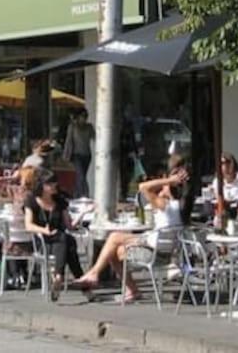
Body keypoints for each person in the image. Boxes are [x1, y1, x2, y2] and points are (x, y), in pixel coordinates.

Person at [74, 157, 191, 302]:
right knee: (115, 250)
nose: (161, 187)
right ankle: (129, 289)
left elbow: (143, 187)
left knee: (114, 238)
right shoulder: (179, 207)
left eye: (164, 184)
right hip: (163, 251)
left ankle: (95, 274)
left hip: (154, 255)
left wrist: (169, 181)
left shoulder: (163, 203)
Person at [23, 171, 87, 301]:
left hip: (59, 240)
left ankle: (58, 277)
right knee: (68, 245)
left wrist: (83, 213)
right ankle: (85, 289)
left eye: (54, 183)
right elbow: (28, 225)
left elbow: (69, 225)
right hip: (43, 241)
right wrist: (44, 230)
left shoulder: (59, 201)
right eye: (50, 183)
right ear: (41, 185)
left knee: (65, 240)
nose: (54, 186)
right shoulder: (32, 201)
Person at [63, 108, 94, 199]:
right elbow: (68, 141)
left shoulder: (89, 127)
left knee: (81, 175)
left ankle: (76, 195)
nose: (84, 119)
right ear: (78, 117)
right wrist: (66, 154)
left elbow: (95, 137)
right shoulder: (73, 127)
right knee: (81, 176)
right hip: (76, 155)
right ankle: (84, 195)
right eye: (82, 116)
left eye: (85, 117)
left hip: (87, 155)